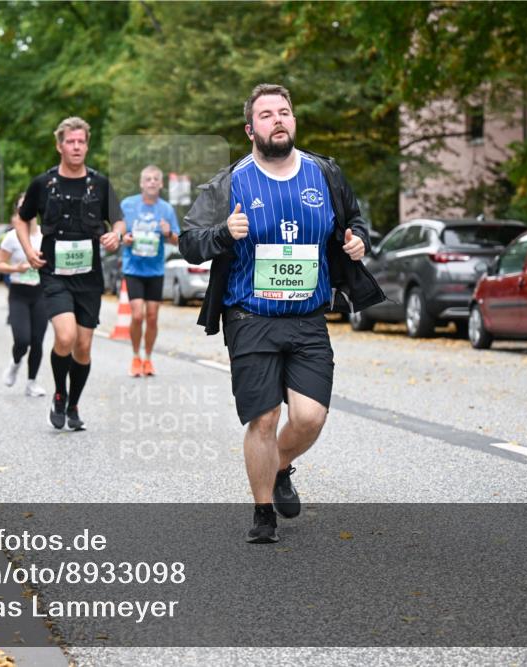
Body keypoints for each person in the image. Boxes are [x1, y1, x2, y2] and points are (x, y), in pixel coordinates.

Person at [180, 84, 384, 543]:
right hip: (249, 316)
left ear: (293, 121)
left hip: (308, 316)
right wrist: (224, 233)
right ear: (250, 128)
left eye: (285, 112)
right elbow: (189, 240)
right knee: (265, 418)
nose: (278, 120)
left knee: (310, 417)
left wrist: (356, 239)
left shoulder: (324, 174)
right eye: (267, 114)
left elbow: (353, 219)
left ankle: (281, 466)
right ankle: (263, 512)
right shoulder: (229, 183)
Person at [17, 116, 123, 430]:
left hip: (89, 277)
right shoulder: (43, 184)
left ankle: (73, 404)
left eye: (81, 142)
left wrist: (115, 234)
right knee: (65, 336)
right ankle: (59, 394)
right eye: (70, 142)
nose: (76, 147)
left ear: (87, 145)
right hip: (54, 273)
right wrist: (27, 249)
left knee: (84, 346)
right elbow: (22, 219)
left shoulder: (100, 183)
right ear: (59, 145)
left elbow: (117, 220)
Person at [120, 165, 180, 377]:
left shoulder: (166, 209)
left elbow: (177, 239)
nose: (152, 182)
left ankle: (148, 359)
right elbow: (118, 232)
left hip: (155, 270)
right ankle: (135, 356)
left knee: (152, 317)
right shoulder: (128, 205)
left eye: (156, 179)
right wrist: (124, 238)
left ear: (161, 184)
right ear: (141, 183)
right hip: (134, 267)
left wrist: (168, 232)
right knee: (137, 315)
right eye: (148, 179)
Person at [0, 194, 48, 397]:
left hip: (41, 293)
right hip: (19, 293)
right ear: (18, 211)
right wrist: (16, 268)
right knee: (22, 339)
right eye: (22, 206)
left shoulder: (45, 235)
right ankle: (16, 363)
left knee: (37, 340)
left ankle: (32, 382)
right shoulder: (11, 237)